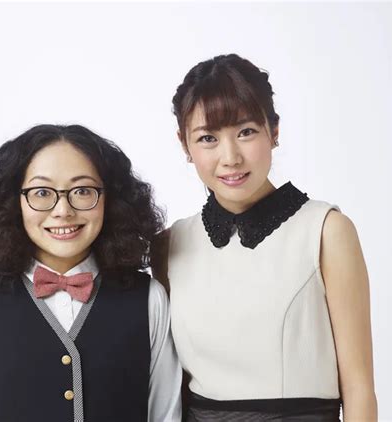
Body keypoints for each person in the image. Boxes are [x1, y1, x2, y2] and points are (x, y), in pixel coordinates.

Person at [152, 54, 377, 421]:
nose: (230, 157)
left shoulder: (326, 230)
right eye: (208, 138)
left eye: (246, 132)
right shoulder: (169, 245)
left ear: (274, 131)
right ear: (185, 145)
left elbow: (359, 388)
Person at [0, 124, 182, 422]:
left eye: (82, 191)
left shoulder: (150, 299)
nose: (63, 211)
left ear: (111, 199)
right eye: (41, 192)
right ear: (13, 201)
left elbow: (166, 416)